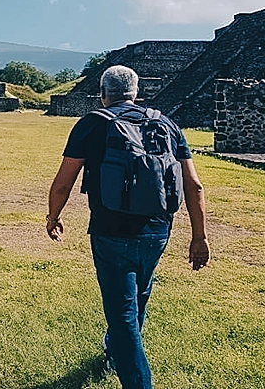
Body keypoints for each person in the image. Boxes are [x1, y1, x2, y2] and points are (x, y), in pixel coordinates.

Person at [46, 65, 209, 389]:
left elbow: (64, 183)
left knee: (122, 316)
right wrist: (199, 237)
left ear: (103, 94)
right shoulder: (166, 124)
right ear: (136, 93)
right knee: (140, 294)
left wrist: (53, 217)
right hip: (158, 230)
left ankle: (134, 376)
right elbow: (194, 186)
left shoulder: (92, 124)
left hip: (111, 231)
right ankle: (114, 352)